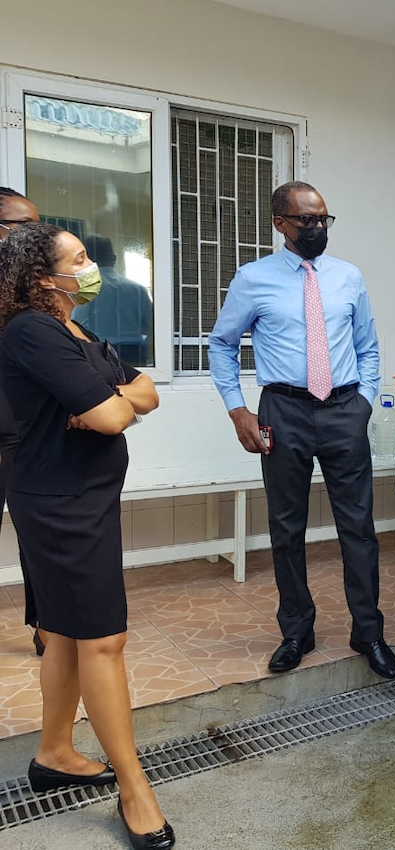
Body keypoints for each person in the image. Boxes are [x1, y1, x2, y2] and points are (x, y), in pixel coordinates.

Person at [0, 223, 174, 850]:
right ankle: (135, 789)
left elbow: (143, 392)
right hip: (59, 504)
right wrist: (116, 404)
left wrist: (117, 400)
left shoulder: (77, 331)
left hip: (83, 499)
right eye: (78, 259)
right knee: (104, 638)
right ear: (44, 278)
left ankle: (53, 751)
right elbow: (109, 415)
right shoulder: (31, 331)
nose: (92, 264)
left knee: (67, 634)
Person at [209, 180, 395, 680]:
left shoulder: (348, 277)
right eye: (307, 220)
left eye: (324, 219)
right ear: (280, 224)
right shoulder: (253, 279)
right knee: (286, 528)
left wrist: (362, 401)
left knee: (358, 527)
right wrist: (238, 411)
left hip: (343, 410)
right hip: (283, 411)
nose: (318, 228)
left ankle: (369, 631)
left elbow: (368, 346)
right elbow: (222, 345)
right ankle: (296, 630)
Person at [0, 187, 47, 655]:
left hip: (26, 434)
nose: (33, 235)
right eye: (22, 225)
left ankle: (45, 627)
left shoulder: (29, 295)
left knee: (36, 538)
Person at [73, 235, 153, 366]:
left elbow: (77, 324)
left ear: (86, 260)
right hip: (135, 351)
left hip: (100, 351)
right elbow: (150, 326)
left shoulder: (86, 287)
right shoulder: (138, 289)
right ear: (114, 259)